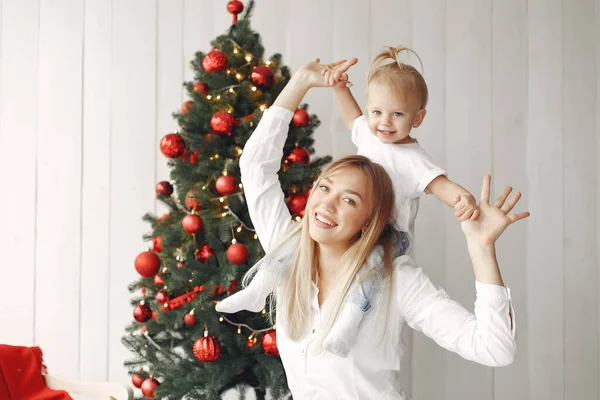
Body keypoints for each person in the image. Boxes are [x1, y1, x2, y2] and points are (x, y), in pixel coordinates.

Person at [218, 59, 528, 399]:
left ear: (371, 219)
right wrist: (301, 83)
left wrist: (481, 249)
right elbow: (255, 166)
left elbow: (495, 349)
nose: (327, 205)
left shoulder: (397, 279)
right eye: (324, 188)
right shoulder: (289, 252)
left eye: (349, 200)